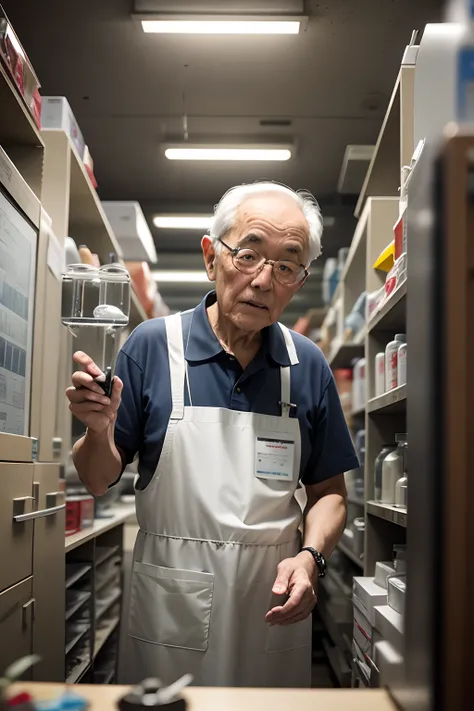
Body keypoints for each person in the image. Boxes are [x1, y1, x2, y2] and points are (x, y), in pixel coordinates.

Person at [67, 181, 358, 688]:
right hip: (171, 602)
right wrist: (97, 432)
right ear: (211, 256)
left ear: (299, 279)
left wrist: (311, 558)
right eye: (248, 254)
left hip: (272, 601)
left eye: (287, 266)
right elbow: (97, 480)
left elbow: (330, 494)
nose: (264, 280)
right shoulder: (153, 347)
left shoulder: (306, 365)